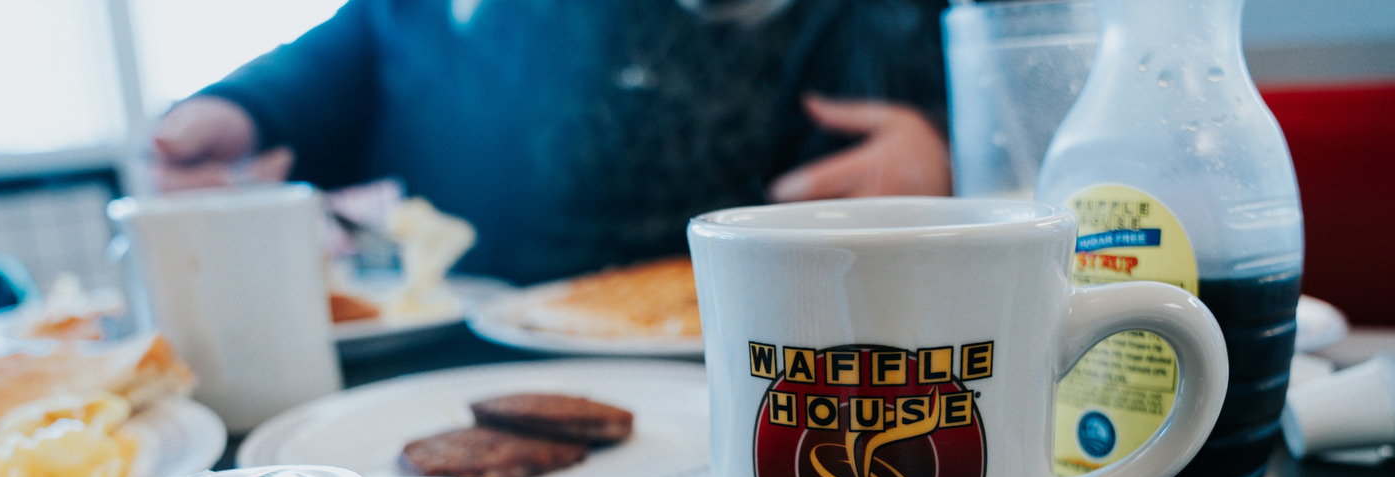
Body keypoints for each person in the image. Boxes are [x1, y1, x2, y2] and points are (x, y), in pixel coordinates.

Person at [151, 0, 953, 285]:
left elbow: (1030, 102)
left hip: (755, 361)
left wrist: (951, 155)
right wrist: (239, 106)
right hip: (475, 347)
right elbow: (363, 45)